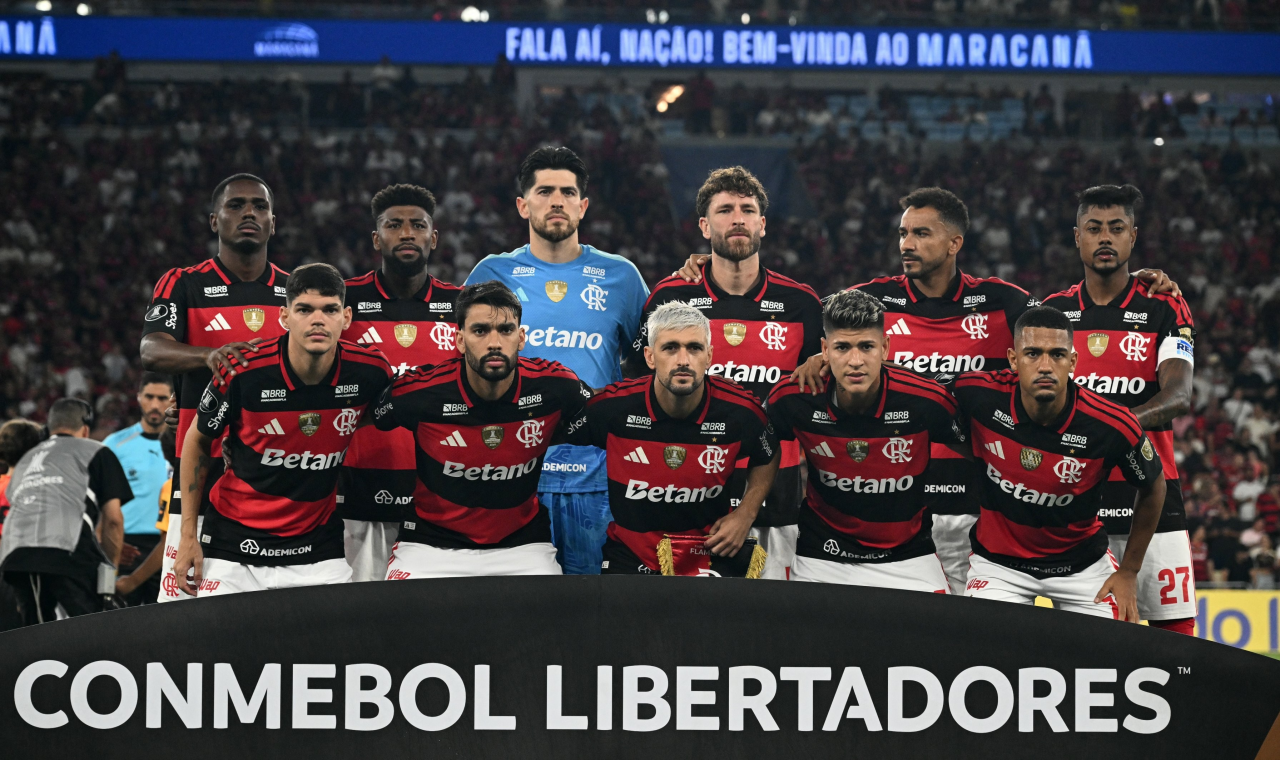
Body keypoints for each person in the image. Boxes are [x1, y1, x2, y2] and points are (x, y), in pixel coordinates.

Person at [632, 166, 823, 580]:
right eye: (724, 210)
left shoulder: (803, 304)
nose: (737, 218)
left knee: (773, 628)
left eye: (747, 209)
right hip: (687, 494)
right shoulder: (671, 296)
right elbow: (639, 386)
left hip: (778, 497)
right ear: (704, 225)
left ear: (762, 224)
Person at [465, 147, 649, 575]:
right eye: (544, 191)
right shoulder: (492, 274)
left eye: (568, 192)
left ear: (583, 206)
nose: (557, 201)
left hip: (600, 478)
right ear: (522, 204)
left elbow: (652, 362)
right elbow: (462, 365)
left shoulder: (620, 275)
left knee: (598, 611)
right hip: (513, 475)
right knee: (522, 615)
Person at [173, 264, 392, 596]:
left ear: (346, 318)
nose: (317, 320)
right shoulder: (242, 370)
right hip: (234, 546)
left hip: (317, 550)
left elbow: (378, 413)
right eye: (304, 309)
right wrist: (188, 536)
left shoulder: (371, 372)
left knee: (338, 646)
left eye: (330, 310)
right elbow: (198, 441)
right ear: (284, 317)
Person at [1041, 184, 1197, 635]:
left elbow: (1177, 396)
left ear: (1133, 236)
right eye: (1094, 228)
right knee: (1087, 640)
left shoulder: (1165, 304)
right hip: (1074, 493)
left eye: (1116, 228)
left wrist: (1111, 429)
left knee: (1176, 633)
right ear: (1077, 237)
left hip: (1152, 488)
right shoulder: (1053, 313)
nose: (1104, 238)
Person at [953, 306, 1166, 620]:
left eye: (1056, 355)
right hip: (998, 564)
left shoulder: (1112, 423)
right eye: (1032, 354)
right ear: (1013, 359)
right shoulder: (975, 394)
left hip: (1081, 567)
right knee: (986, 656)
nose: (1045, 366)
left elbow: (1154, 486)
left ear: (1073, 362)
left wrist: (1130, 571)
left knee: (1114, 658)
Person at [373, 281, 592, 578]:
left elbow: (607, 416)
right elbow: (369, 416)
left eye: (506, 330)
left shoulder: (558, 386)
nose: (494, 342)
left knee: (548, 622)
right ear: (460, 340)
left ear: (521, 337)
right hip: (428, 545)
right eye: (480, 331)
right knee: (400, 622)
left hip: (523, 546)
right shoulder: (418, 393)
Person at [140, 174, 289, 599]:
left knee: (275, 610)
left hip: (276, 472)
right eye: (236, 205)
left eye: (259, 207)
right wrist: (209, 356)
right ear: (214, 221)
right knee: (186, 608)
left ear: (273, 223)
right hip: (201, 471)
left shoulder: (295, 290)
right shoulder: (182, 283)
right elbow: (152, 349)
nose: (249, 214)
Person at [767, 289, 966, 591]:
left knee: (934, 636)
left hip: (908, 556)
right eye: (842, 347)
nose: (856, 361)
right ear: (824, 349)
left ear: (885, 347)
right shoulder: (794, 396)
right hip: (822, 554)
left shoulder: (927, 401)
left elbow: (979, 449)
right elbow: (760, 450)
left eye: (867, 346)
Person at [577, 302, 779, 575]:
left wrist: (746, 513)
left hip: (708, 553)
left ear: (709, 356)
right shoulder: (612, 407)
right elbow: (548, 430)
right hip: (630, 554)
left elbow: (768, 453)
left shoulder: (741, 411)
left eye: (694, 348)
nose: (683, 360)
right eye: (670, 348)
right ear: (649, 356)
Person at [340, 184, 463, 582]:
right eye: (394, 226)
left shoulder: (460, 305)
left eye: (417, 225)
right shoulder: (345, 302)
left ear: (434, 237)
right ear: (377, 238)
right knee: (355, 621)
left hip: (441, 496)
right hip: (359, 492)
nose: (407, 233)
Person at [0, 399, 132, 625]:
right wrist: (109, 579)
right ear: (85, 429)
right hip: (65, 548)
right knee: (98, 625)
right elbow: (113, 521)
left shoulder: (25, 460)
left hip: (14, 554)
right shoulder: (96, 450)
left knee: (37, 633)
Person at [101, 372, 174, 605]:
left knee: (166, 624)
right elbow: (98, 503)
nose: (155, 405)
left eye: (162, 398)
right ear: (139, 397)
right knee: (121, 627)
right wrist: (107, 547)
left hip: (170, 544)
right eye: (149, 397)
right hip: (127, 546)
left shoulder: (188, 443)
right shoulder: (114, 444)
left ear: (173, 400)